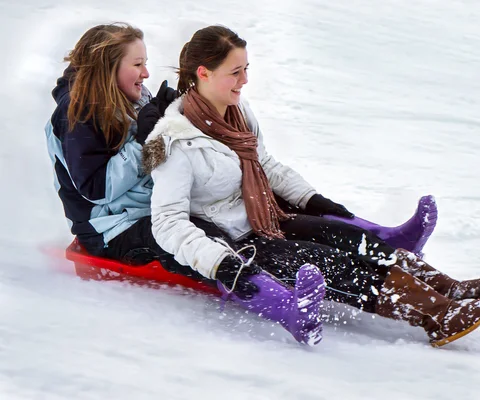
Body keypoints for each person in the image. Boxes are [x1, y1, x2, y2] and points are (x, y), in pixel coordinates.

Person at [140, 25, 480, 347]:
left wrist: (315, 200)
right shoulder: (173, 143)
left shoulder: (237, 112)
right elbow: (168, 222)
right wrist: (219, 262)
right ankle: (437, 316)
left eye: (246, 69)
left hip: (269, 216)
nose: (245, 80)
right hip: (239, 240)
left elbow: (267, 166)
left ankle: (447, 288)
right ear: (203, 73)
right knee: (338, 264)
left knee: (346, 236)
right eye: (235, 72)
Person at [45, 23, 327, 346]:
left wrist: (169, 113)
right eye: (137, 65)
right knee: (209, 243)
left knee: (232, 226)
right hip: (112, 230)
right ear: (108, 68)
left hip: (149, 208)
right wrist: (143, 141)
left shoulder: (128, 95)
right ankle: (285, 309)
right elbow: (96, 189)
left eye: (145, 63)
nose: (146, 73)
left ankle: (290, 279)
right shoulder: (74, 115)